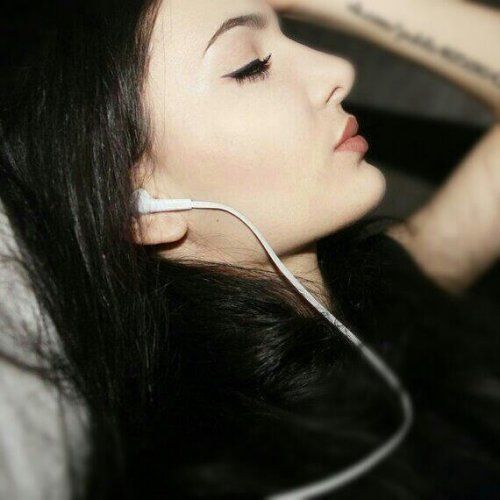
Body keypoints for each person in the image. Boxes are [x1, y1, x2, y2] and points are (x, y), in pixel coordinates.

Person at [0, 0, 499, 498]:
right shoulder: (219, 473)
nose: (340, 71)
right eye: (251, 66)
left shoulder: (380, 295)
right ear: (138, 208)